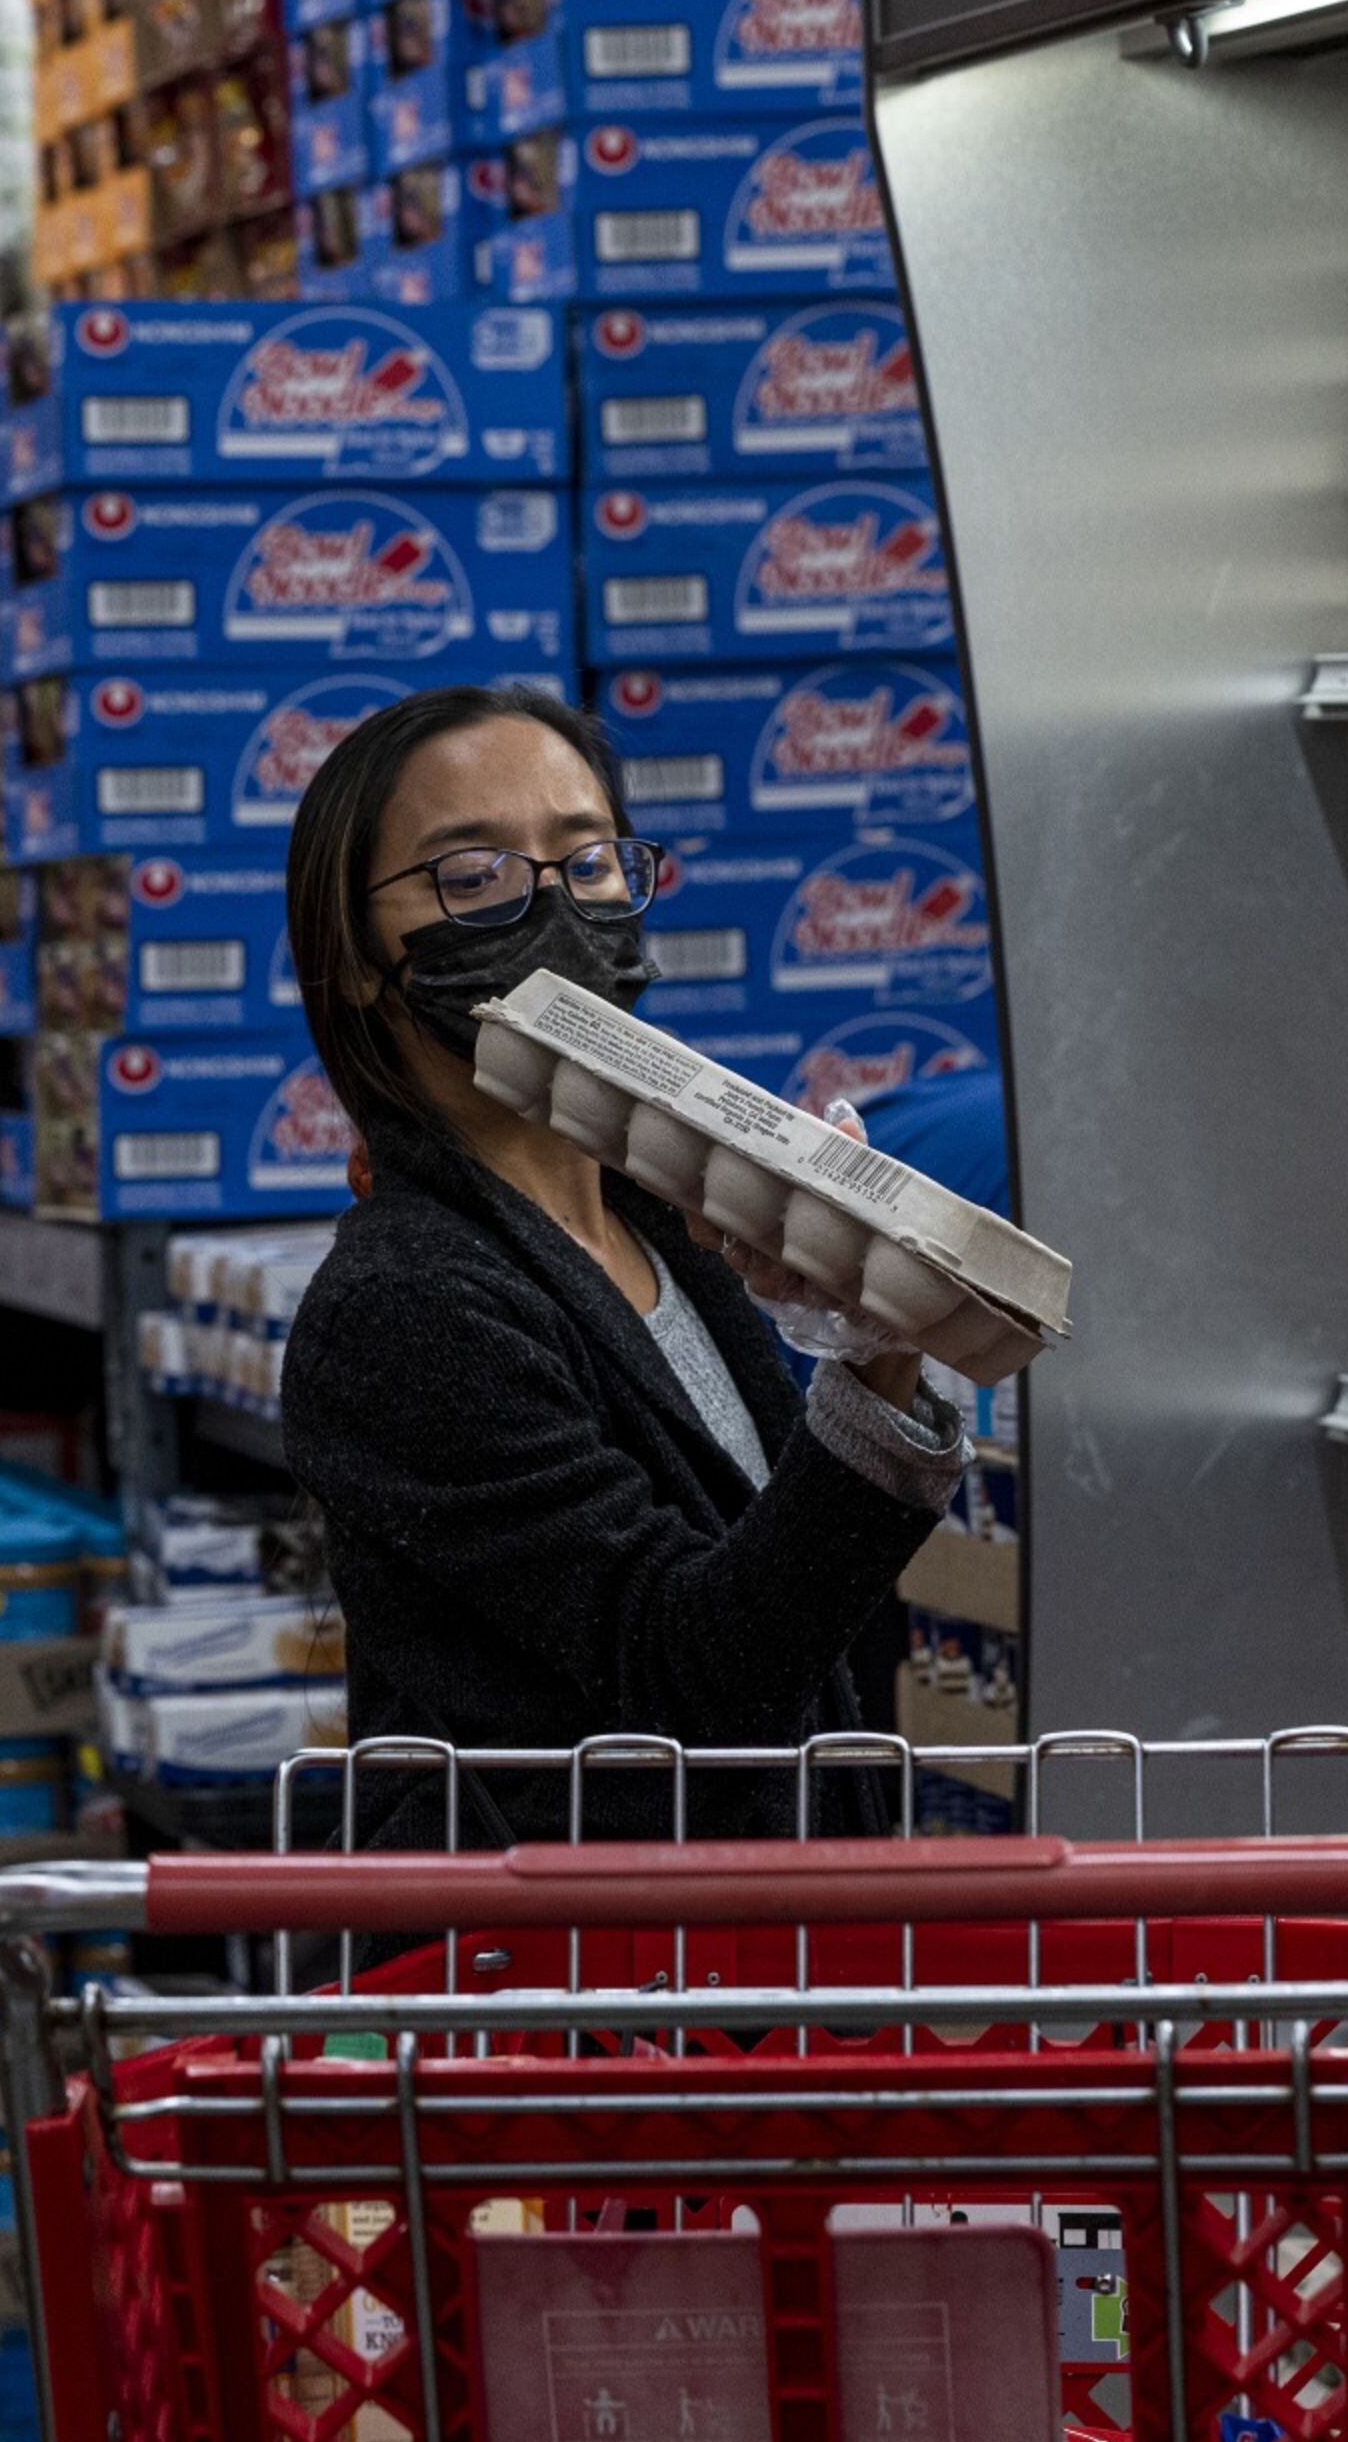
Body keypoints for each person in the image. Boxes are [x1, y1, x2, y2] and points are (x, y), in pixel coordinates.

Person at [276, 683, 972, 1847]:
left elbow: (801, 1630)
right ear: (353, 957)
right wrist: (874, 1370)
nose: (549, 903)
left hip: (743, 1973)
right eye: (474, 872)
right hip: (568, 1996)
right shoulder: (403, 1309)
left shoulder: (666, 1230)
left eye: (587, 860)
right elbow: (692, 1672)